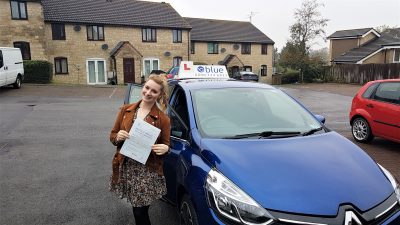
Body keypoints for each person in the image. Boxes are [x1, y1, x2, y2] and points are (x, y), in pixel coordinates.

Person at [109, 74, 170, 225]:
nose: (148, 93)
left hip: (147, 170)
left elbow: (166, 144)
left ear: (160, 94)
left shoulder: (163, 119)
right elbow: (112, 135)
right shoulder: (125, 111)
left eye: (154, 91)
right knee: (137, 210)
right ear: (143, 87)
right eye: (147, 87)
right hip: (128, 166)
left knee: (139, 211)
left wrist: (165, 148)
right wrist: (118, 137)